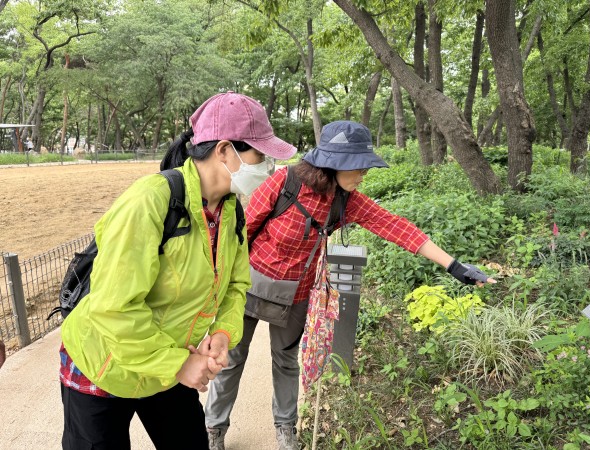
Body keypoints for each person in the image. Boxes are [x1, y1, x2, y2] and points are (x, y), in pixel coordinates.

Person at [204, 120, 496, 450]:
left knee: (286, 362)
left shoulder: (348, 201)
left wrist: (454, 265)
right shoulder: (284, 182)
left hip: (297, 295)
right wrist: (218, 285)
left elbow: (396, 227)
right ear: (333, 163)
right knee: (230, 360)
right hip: (249, 286)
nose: (361, 176)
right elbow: (240, 235)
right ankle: (214, 428)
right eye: (356, 167)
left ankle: (285, 430)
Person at [58, 91, 296, 450]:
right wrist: (178, 365)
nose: (268, 167)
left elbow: (235, 284)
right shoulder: (150, 201)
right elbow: (114, 308)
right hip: (103, 364)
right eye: (260, 155)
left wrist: (223, 333)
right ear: (224, 151)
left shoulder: (231, 210)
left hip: (166, 364)